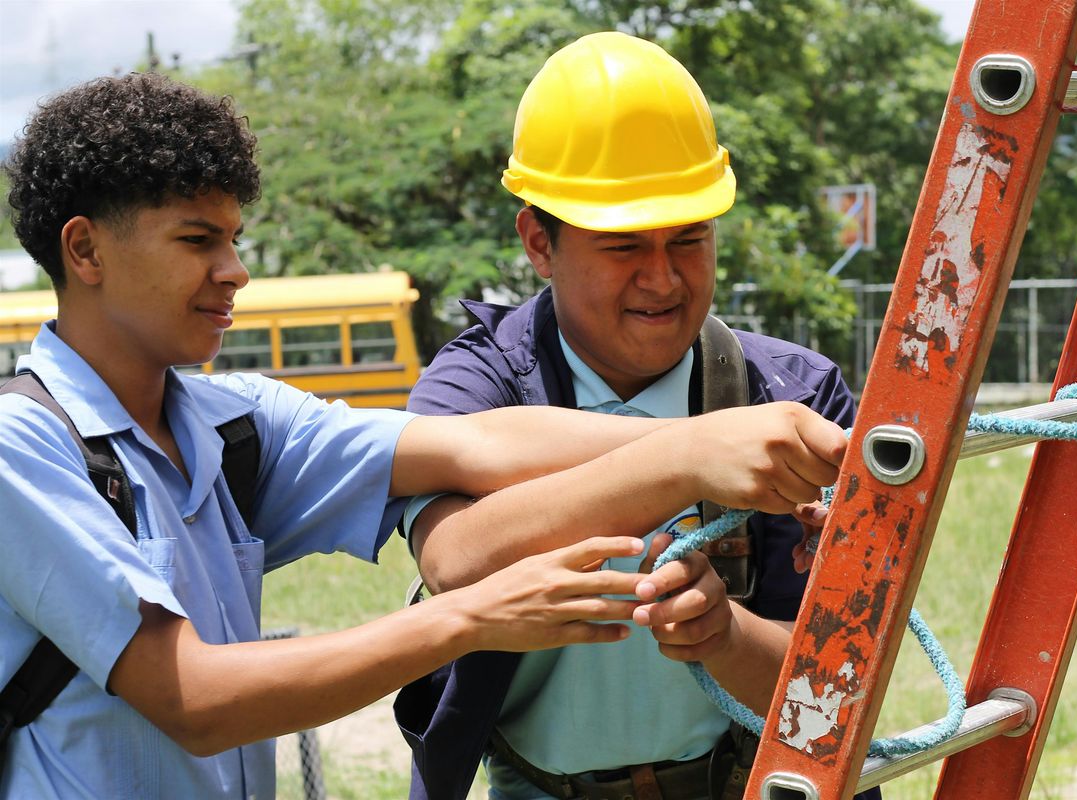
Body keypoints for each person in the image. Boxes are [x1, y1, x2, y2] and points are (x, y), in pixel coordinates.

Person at [0, 74, 849, 799]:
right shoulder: (22, 446)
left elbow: (477, 447)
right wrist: (473, 618)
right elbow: (195, 699)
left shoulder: (232, 422)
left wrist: (712, 440)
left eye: (234, 239)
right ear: (86, 250)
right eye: (198, 241)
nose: (236, 270)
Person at [396, 31, 879, 800]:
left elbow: (834, 688)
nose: (663, 278)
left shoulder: (790, 392)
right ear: (538, 243)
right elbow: (453, 561)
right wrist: (688, 456)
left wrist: (725, 636)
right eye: (622, 245)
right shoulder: (481, 384)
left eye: (690, 239)